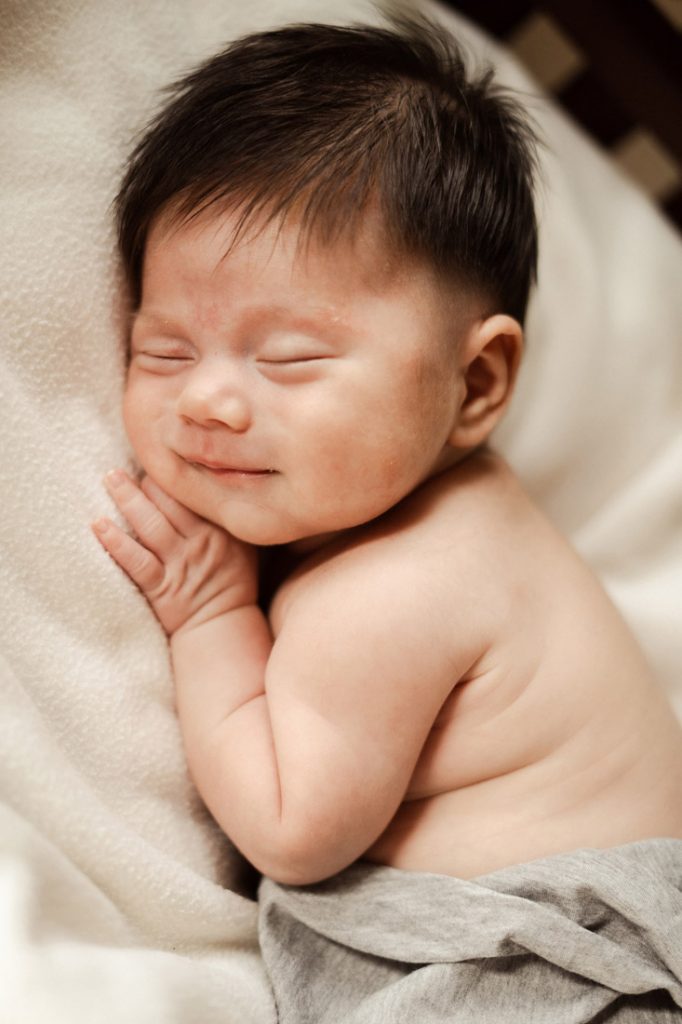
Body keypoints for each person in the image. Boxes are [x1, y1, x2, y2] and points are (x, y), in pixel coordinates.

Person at [92, 17, 682, 893]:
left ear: (474, 384)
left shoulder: (396, 590)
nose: (207, 400)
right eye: (165, 352)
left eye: (289, 358)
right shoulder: (437, 519)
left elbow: (290, 831)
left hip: (564, 955)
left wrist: (212, 616)